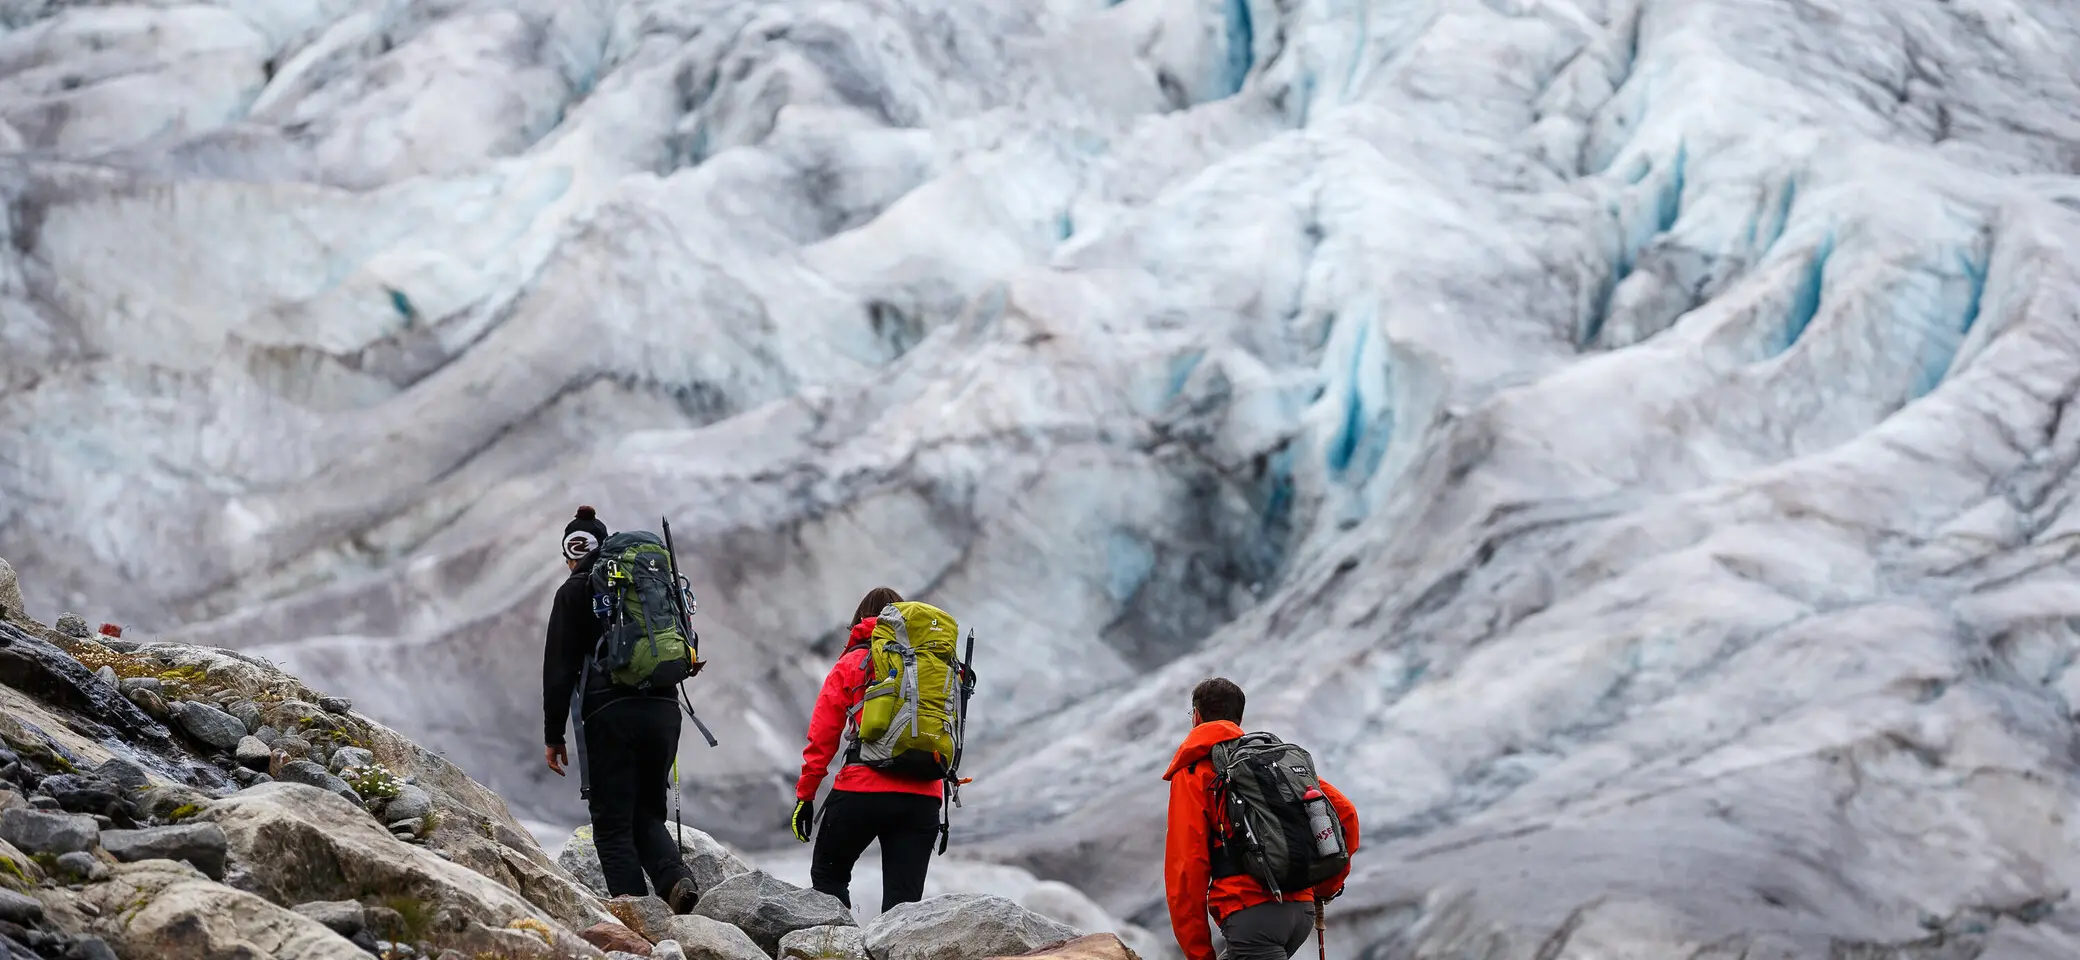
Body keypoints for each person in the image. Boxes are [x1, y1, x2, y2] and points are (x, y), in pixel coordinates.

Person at [541, 505, 699, 912]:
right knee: (647, 813)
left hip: (608, 713)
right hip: (665, 708)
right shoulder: (644, 585)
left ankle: (641, 926)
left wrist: (553, 734)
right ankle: (677, 881)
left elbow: (558, 669)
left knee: (612, 827)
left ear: (572, 552)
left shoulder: (574, 590)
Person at [1164, 678, 1361, 960]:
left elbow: (1186, 867)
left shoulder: (1195, 772)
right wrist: (1323, 887)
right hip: (1300, 910)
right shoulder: (1271, 762)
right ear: (1239, 718)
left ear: (1196, 716)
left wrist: (1198, 954)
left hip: (1251, 914)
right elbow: (1345, 815)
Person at [789, 586, 945, 913]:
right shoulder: (931, 665)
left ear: (859, 620)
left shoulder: (855, 661)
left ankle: (839, 949)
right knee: (903, 909)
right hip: (923, 797)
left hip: (863, 789)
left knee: (828, 877)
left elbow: (823, 736)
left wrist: (806, 796)